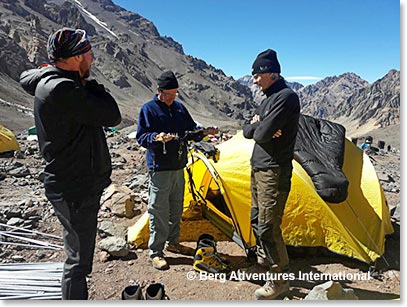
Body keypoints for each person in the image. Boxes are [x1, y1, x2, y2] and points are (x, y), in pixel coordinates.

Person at [20, 28, 121, 300]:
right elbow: (112, 115)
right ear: (76, 58)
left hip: (73, 183)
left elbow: (26, 77)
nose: (92, 59)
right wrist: (91, 84)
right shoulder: (64, 89)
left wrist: (63, 75)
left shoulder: (54, 81)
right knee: (78, 263)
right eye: (88, 53)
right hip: (75, 187)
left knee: (78, 255)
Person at [136, 71, 218, 270]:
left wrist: (204, 132)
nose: (173, 99)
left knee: (176, 207)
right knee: (158, 209)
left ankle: (173, 242)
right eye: (169, 95)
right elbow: (141, 136)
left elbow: (190, 132)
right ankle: (156, 251)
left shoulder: (180, 109)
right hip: (159, 168)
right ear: (159, 92)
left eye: (175, 94)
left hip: (179, 165)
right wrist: (156, 138)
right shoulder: (149, 109)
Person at [243, 49, 300, 300]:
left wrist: (261, 127)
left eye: (257, 75)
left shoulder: (286, 98)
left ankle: (279, 281)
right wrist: (260, 124)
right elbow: (249, 131)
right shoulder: (267, 99)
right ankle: (265, 266)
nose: (254, 81)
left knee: (268, 225)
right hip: (258, 167)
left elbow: (262, 135)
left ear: (270, 73)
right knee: (257, 219)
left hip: (274, 170)